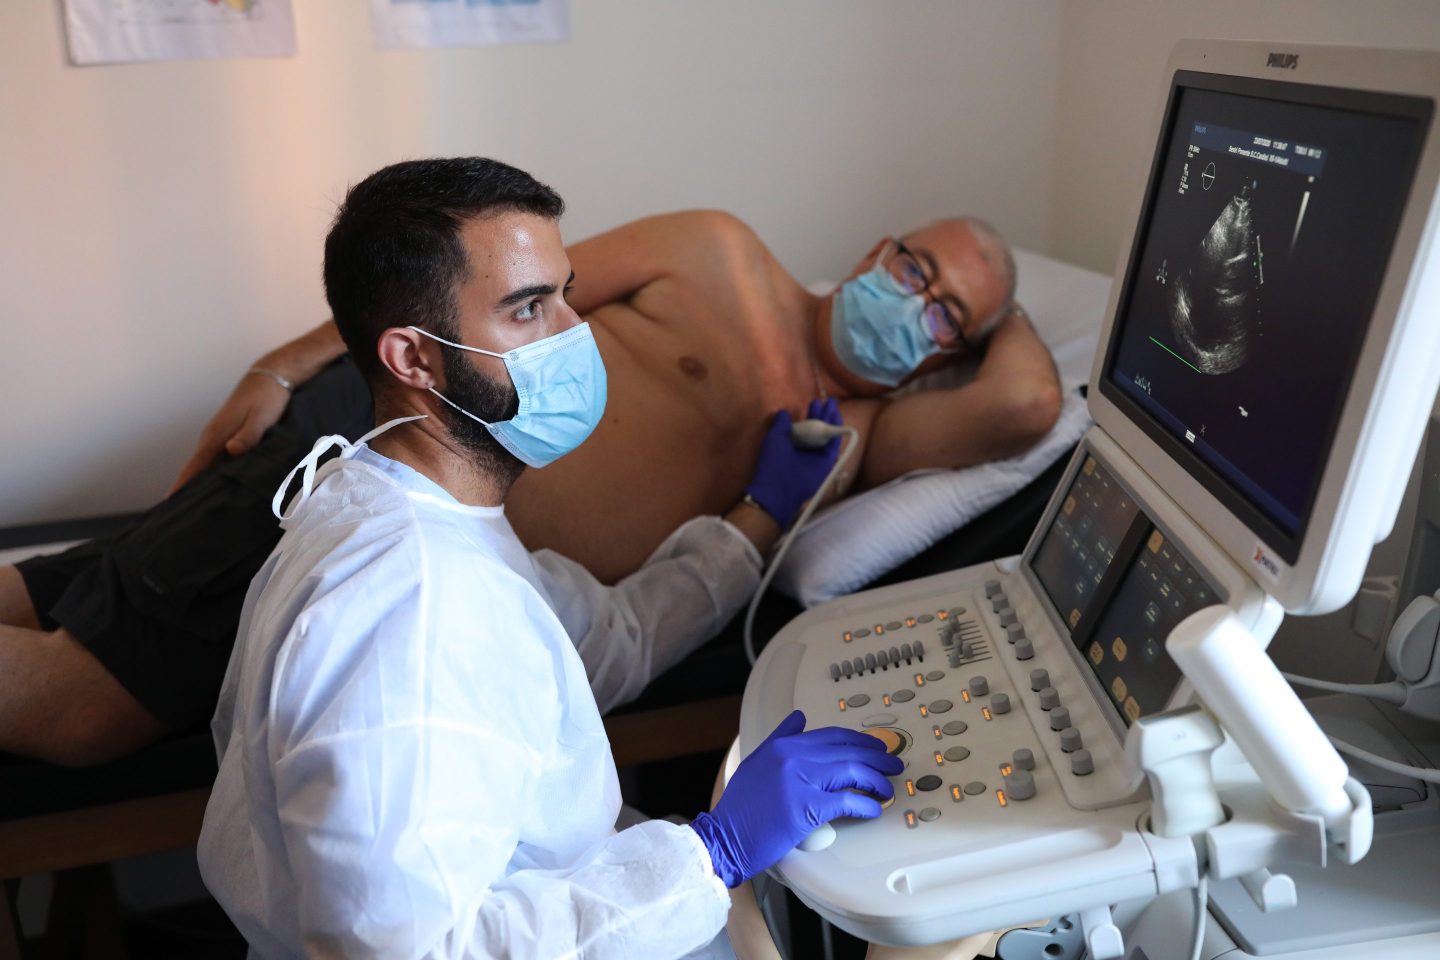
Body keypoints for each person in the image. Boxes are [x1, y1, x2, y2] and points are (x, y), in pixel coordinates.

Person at [0, 189, 1060, 767]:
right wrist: (283, 365)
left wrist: (1002, 309)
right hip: (375, 467)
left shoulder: (851, 438)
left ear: (944, 356)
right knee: (79, 712)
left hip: (441, 568)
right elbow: (463, 294)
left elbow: (1027, 407)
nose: (912, 303)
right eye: (916, 268)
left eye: (944, 315)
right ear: (880, 247)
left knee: (70, 590)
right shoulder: (719, 252)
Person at [197, 156, 903, 958]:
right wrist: (710, 854)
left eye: (565, 292)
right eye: (528, 309)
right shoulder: (413, 606)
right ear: (414, 359)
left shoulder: (404, 503)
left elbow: (609, 637)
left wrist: (762, 515)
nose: (575, 333)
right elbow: (404, 951)